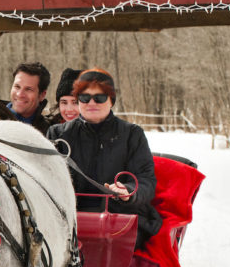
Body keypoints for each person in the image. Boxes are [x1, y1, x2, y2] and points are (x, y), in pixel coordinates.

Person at [46, 68, 162, 249]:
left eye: (99, 97)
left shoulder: (132, 134)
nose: (91, 102)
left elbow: (146, 180)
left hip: (117, 217)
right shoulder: (58, 134)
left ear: (111, 100)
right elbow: (45, 179)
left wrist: (128, 191)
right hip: (70, 217)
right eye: (84, 98)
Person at [0, 62, 52, 133]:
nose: (20, 94)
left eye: (28, 89)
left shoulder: (51, 131)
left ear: (42, 95)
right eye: (17, 86)